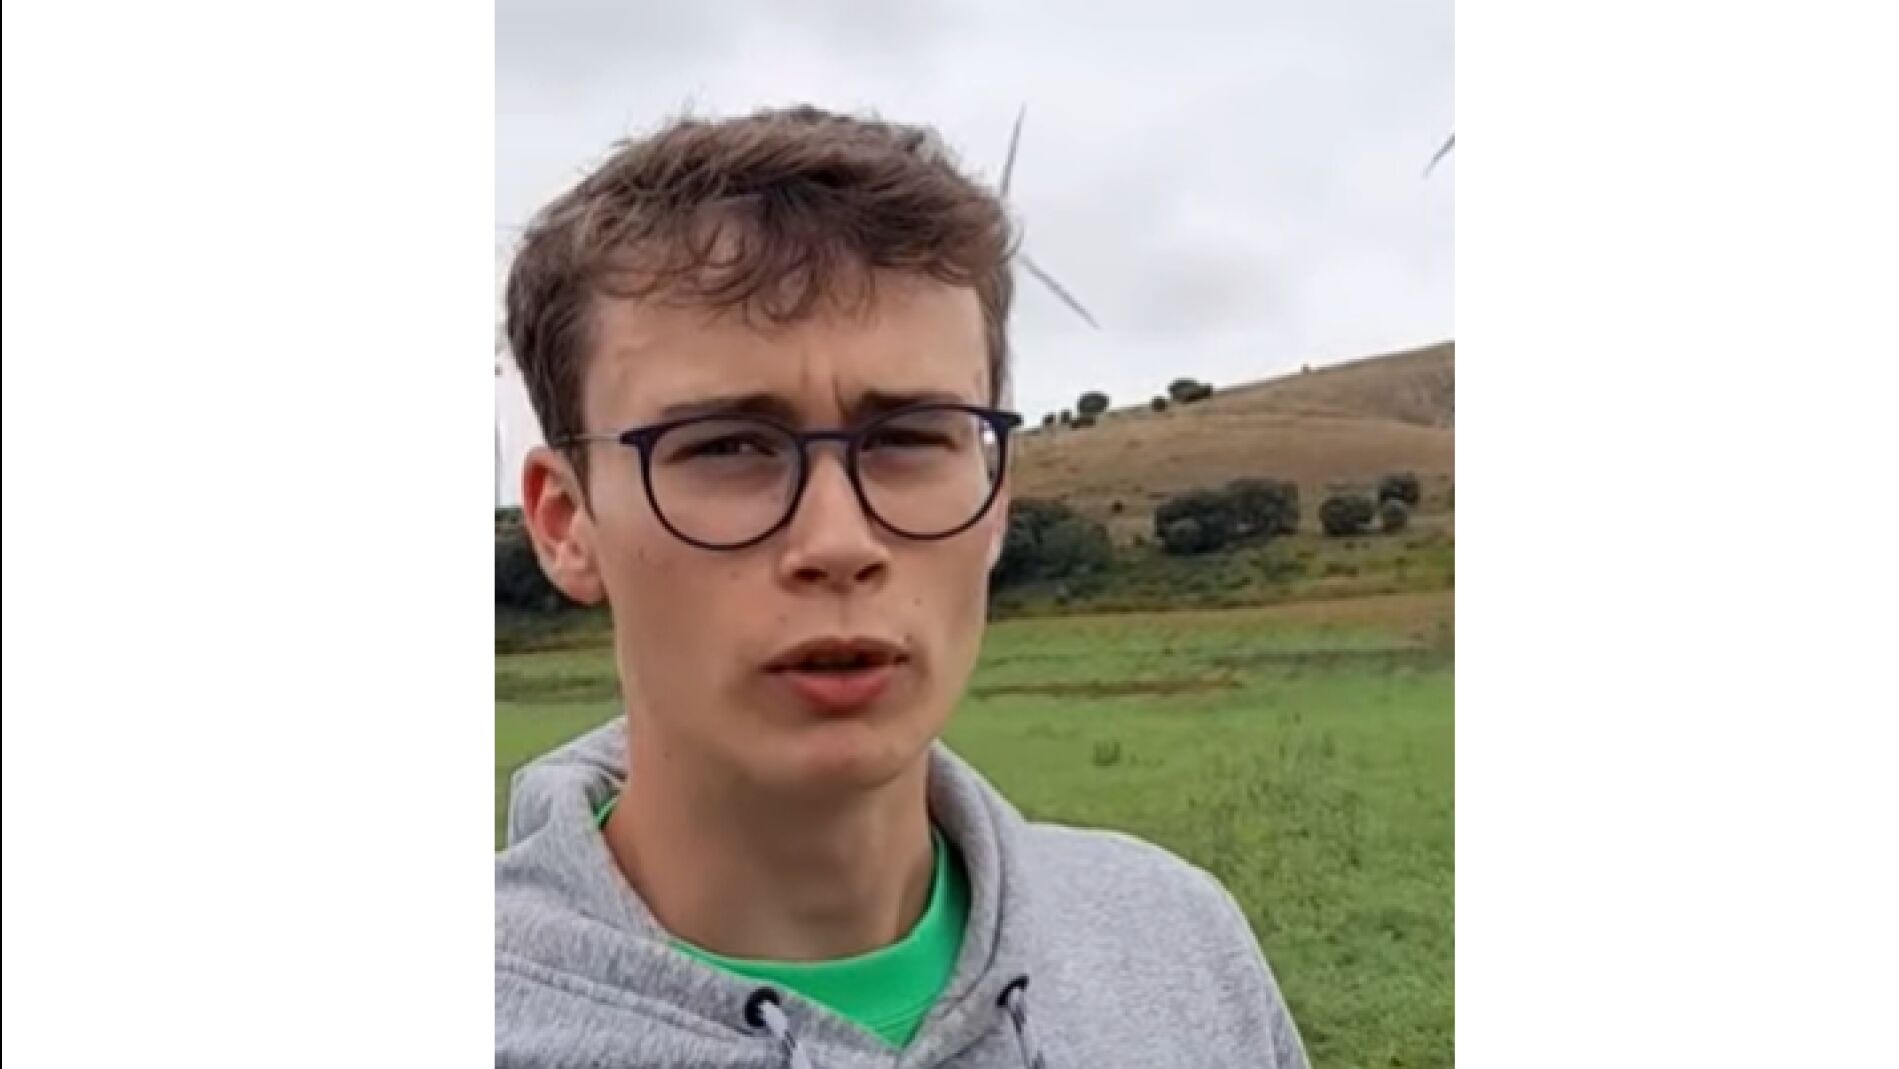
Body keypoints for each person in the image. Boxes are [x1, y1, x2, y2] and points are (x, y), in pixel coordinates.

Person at [495, 105, 1310, 1068]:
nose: (838, 542)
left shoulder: (1180, 950)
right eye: (725, 447)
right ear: (565, 521)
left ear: (996, 497)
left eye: (910, 439)